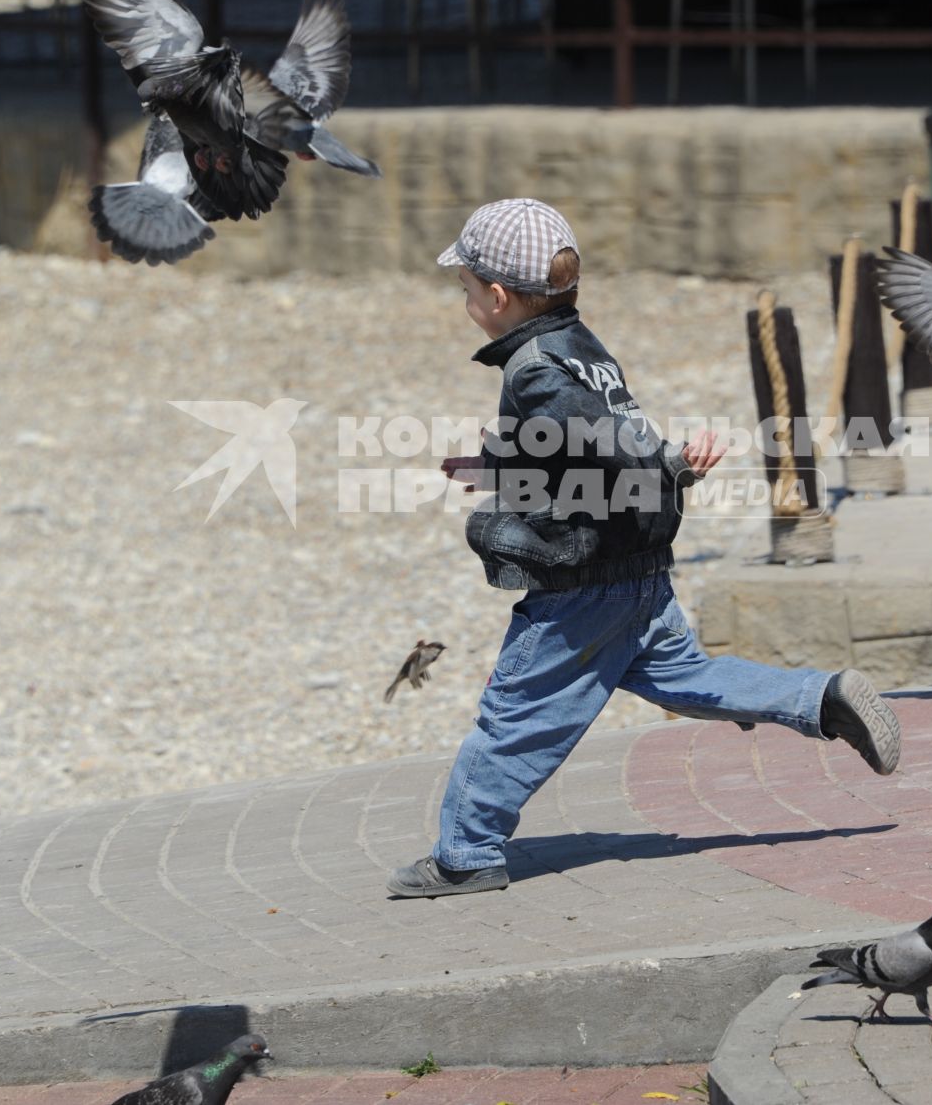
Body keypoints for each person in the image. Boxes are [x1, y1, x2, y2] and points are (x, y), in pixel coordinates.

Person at [386, 198, 903, 899]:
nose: (466, 299)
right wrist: (491, 466)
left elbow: (599, 440)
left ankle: (465, 851)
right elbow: (572, 442)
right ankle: (823, 697)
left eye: (467, 288)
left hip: (584, 584)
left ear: (498, 296)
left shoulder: (533, 368)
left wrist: (665, 459)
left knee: (516, 712)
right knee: (690, 678)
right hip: (639, 573)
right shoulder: (584, 346)